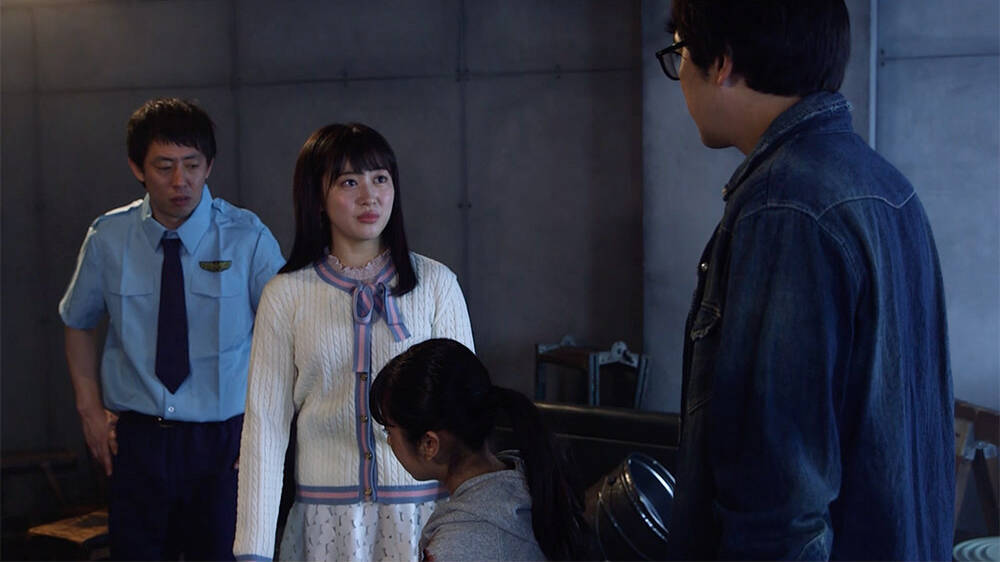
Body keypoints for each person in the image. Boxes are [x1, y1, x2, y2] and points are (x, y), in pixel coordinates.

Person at [655, 1, 954, 560]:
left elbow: (779, 500)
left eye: (681, 53)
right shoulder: (887, 187)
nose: (681, 78)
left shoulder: (785, 205)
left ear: (722, 63)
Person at [233, 123, 476, 561]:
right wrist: (253, 550)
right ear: (317, 197)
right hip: (325, 524)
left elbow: (468, 416)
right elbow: (265, 429)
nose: (370, 196)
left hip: (424, 518)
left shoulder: (437, 285)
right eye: (349, 182)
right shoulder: (285, 295)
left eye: (380, 179)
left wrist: (469, 527)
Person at [58, 97, 285, 560]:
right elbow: (77, 322)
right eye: (164, 167)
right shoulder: (108, 237)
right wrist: (89, 411)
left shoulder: (247, 237)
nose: (180, 181)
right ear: (137, 168)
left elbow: (289, 336)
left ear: (209, 166)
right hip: (138, 439)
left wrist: (268, 428)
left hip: (225, 441)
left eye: (192, 165)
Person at [370, 338, 591, 562]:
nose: (389, 441)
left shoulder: (458, 547)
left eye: (389, 430)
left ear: (429, 444)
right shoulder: (526, 477)